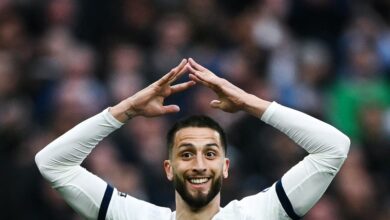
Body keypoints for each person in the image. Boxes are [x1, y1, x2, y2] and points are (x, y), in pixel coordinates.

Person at [35, 58, 350, 220]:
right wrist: (127, 109)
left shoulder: (257, 214)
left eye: (210, 153)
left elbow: (334, 148)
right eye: (186, 154)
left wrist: (248, 102)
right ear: (169, 168)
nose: (199, 164)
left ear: (225, 167)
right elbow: (52, 163)